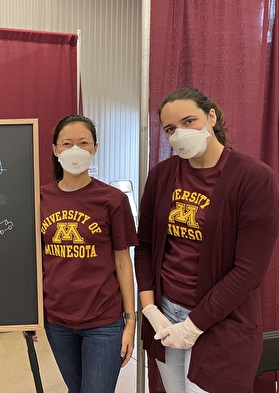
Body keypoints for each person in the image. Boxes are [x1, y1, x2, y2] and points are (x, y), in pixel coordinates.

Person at [135, 87, 279, 393]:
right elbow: (146, 246)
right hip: (165, 314)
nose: (180, 134)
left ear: (210, 117)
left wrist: (194, 325)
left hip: (220, 320)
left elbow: (248, 271)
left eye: (189, 121)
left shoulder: (254, 179)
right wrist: (149, 309)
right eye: (171, 129)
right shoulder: (161, 176)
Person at [40, 114, 138, 393]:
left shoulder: (113, 200)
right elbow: (34, 261)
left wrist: (130, 321)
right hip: (56, 320)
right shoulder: (40, 198)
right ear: (55, 149)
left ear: (95, 148)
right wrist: (30, 314)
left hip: (104, 321)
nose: (75, 150)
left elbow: (123, 262)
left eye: (83, 143)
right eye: (67, 143)